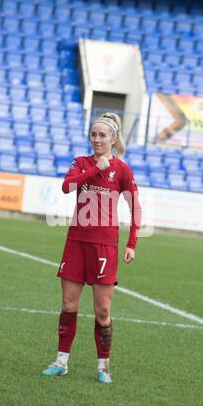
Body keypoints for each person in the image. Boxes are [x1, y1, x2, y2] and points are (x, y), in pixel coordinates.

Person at [42, 113, 142, 384]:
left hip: (104, 247)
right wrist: (97, 168)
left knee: (102, 311)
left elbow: (135, 208)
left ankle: (103, 367)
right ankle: (61, 362)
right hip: (76, 242)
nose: (96, 139)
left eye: (102, 135)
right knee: (68, 304)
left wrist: (131, 243)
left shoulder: (122, 170)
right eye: (93, 134)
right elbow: (66, 187)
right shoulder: (81, 163)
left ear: (114, 139)